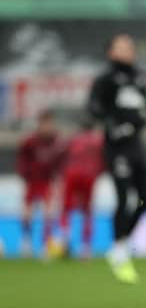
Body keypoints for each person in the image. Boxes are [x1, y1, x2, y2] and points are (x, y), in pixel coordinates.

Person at [88, 34, 146, 283]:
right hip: (116, 147)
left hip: (136, 145)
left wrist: (140, 117)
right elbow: (93, 107)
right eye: (121, 47)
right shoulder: (105, 78)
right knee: (125, 197)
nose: (127, 50)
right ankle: (118, 248)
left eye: (129, 46)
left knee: (145, 202)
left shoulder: (140, 76)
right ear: (110, 51)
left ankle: (122, 241)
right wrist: (114, 122)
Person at [16, 109, 65, 258]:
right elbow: (22, 160)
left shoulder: (56, 141)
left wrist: (58, 177)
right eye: (45, 124)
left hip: (47, 182)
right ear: (40, 124)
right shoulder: (30, 141)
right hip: (32, 182)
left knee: (48, 214)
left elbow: (60, 162)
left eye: (50, 123)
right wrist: (25, 175)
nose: (47, 127)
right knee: (26, 214)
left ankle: (46, 245)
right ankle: (26, 243)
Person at [59, 115, 104, 259]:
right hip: (89, 175)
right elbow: (105, 158)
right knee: (87, 211)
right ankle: (86, 248)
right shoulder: (98, 141)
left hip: (71, 173)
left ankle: (65, 239)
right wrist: (98, 172)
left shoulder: (73, 139)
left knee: (66, 208)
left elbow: (61, 155)